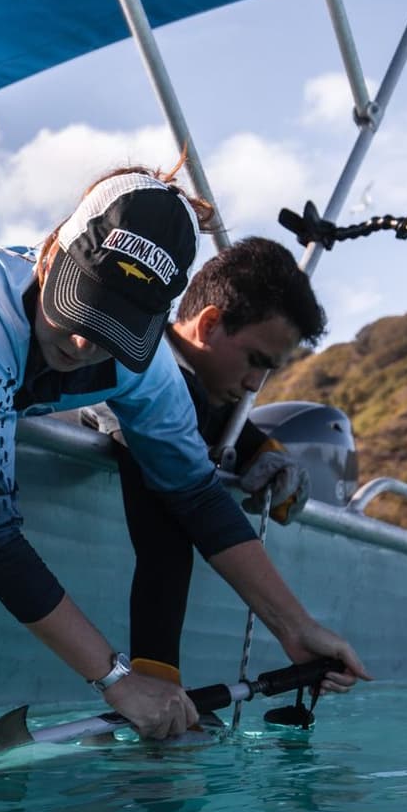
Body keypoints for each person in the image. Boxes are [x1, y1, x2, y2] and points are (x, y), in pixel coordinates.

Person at [0, 166, 367, 739]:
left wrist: (295, 627)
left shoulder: (142, 365)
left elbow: (194, 494)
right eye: (85, 306)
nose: (83, 344)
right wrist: (118, 681)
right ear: (49, 255)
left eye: (116, 326)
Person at [94, 237, 328, 686]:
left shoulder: (186, 379)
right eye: (256, 361)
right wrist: (158, 680)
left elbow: (209, 416)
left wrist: (270, 457)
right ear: (210, 323)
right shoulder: (133, 364)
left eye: (269, 371)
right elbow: (169, 519)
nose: (255, 383)